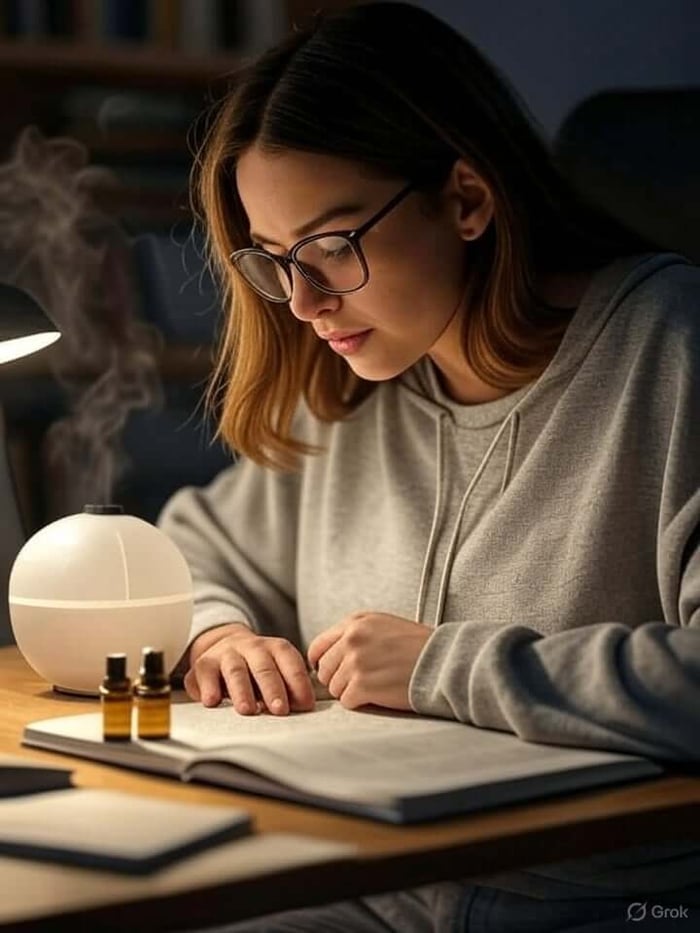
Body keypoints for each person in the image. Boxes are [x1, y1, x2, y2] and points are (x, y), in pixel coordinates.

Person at [158, 3, 700, 930]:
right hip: (362, 887)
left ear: (466, 199)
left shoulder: (669, 352)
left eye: (331, 247)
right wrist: (217, 637)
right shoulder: (356, 388)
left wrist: (442, 664)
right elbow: (187, 546)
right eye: (275, 261)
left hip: (608, 901)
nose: (303, 302)